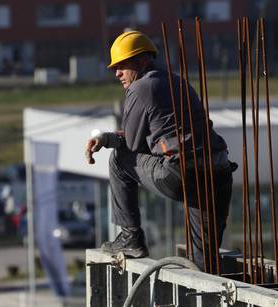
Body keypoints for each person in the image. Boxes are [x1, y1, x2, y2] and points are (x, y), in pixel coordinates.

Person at [85, 30, 236, 271]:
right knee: (204, 262)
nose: (117, 73)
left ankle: (130, 236)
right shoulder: (178, 80)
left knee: (119, 159)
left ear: (142, 61)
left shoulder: (140, 88)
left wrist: (108, 139)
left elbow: (133, 146)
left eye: (122, 65)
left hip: (181, 173)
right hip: (217, 171)